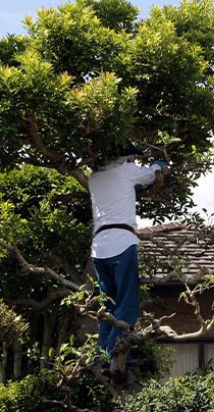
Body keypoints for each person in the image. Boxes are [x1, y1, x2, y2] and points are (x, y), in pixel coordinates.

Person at [88, 146, 164, 364]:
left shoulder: (95, 176)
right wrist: (160, 164)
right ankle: (117, 352)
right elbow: (151, 174)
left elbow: (119, 189)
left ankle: (104, 358)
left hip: (99, 248)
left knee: (107, 305)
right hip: (122, 243)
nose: (133, 160)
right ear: (125, 157)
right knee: (127, 303)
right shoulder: (126, 171)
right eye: (132, 157)